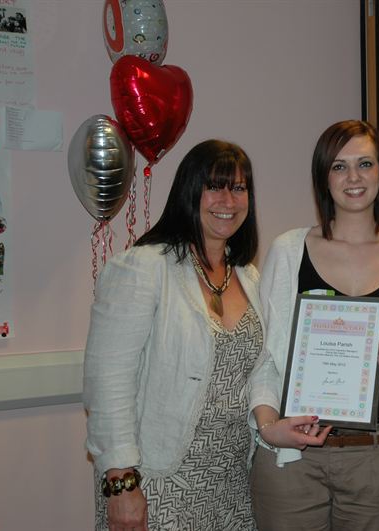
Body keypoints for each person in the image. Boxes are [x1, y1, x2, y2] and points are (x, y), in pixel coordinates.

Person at [249, 120, 379, 531]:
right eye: (338, 166)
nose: (353, 177)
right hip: (293, 460)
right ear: (323, 178)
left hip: (376, 459)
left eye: (365, 164)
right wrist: (268, 427)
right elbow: (265, 358)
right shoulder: (288, 250)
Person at [83, 140, 263, 531]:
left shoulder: (249, 277)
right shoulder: (144, 267)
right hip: (156, 480)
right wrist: (121, 482)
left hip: (232, 482)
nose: (228, 200)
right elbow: (108, 382)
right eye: (214, 186)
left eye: (238, 187)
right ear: (189, 191)